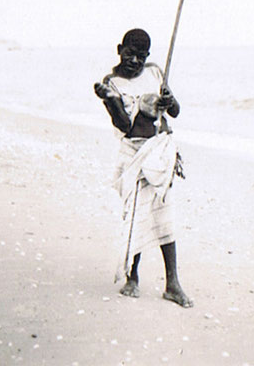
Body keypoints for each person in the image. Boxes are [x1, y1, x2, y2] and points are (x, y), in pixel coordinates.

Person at [94, 28, 193, 308]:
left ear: (147, 56)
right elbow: (125, 126)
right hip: (134, 153)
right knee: (135, 215)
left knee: (165, 217)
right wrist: (110, 101)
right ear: (118, 49)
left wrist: (166, 102)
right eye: (130, 54)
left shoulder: (154, 72)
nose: (135, 61)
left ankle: (172, 283)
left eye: (141, 56)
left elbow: (174, 112)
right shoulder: (111, 82)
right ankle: (132, 277)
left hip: (159, 152)